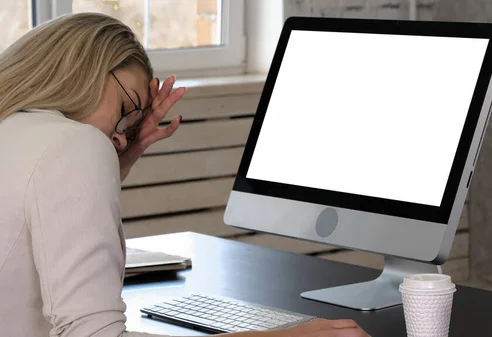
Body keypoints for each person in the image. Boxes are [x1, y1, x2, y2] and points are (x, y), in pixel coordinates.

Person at [0, 12, 369, 337]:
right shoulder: (74, 143)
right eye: (127, 109)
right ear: (79, 68)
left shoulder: (17, 130)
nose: (117, 137)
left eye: (128, 129)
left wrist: (122, 157)